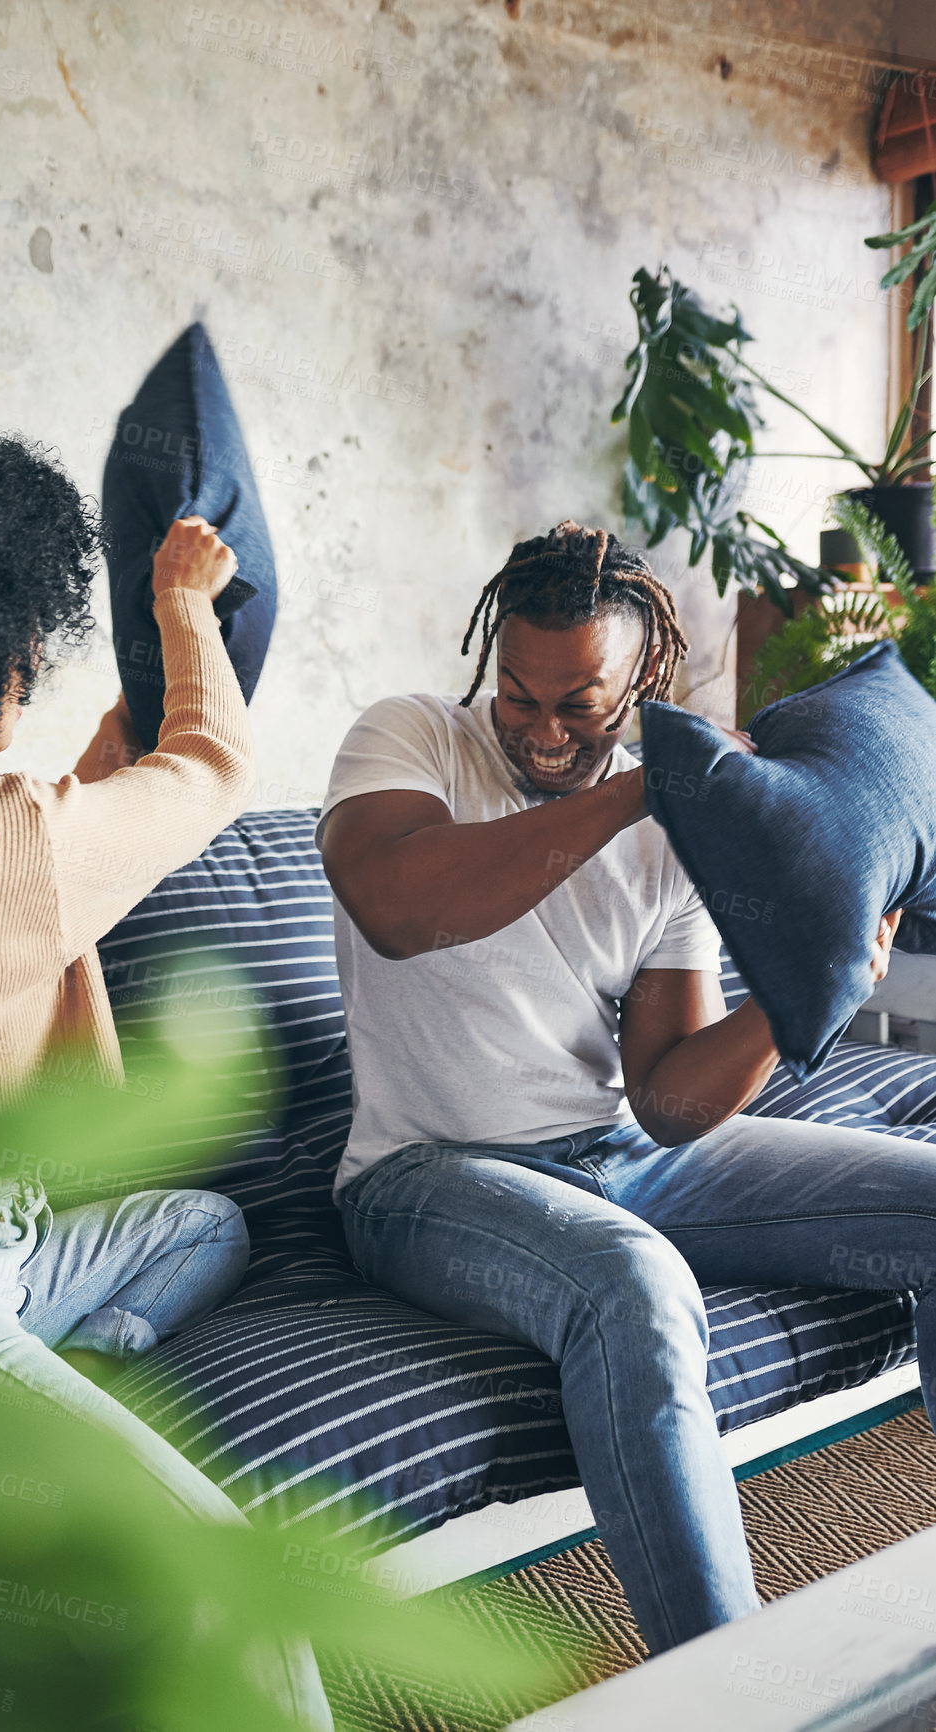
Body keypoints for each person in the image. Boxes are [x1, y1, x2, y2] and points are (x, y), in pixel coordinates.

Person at [0, 397, 331, 1730]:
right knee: (237, 1618)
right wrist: (183, 604)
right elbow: (208, 766)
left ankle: (65, 1370)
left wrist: (110, 731)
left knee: (198, 1223)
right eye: (24, 632)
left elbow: (43, 840)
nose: (32, 658)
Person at [317, 518, 919, 1657]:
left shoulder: (669, 846)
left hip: (619, 1156)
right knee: (632, 1285)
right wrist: (640, 792)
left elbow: (669, 1103)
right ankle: (725, 1692)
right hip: (425, 1178)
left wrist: (804, 1002)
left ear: (643, 676)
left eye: (578, 705)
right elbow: (401, 911)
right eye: (519, 695)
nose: (542, 731)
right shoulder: (406, 739)